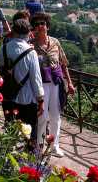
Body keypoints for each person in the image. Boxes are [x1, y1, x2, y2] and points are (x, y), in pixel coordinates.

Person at [30, 12, 75, 156]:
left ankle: (54, 145)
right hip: (40, 83)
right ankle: (39, 145)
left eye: (42, 23)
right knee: (42, 116)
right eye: (36, 24)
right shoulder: (31, 45)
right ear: (33, 28)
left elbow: (64, 64)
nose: (40, 26)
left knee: (55, 115)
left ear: (47, 26)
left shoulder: (55, 42)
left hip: (56, 82)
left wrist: (70, 83)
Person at [0, 19, 44, 145]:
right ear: (28, 33)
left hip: (7, 96)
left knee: (10, 130)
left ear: (13, 32)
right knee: (28, 134)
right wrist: (40, 100)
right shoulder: (31, 52)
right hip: (26, 99)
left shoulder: (3, 48)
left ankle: (7, 156)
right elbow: (36, 79)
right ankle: (27, 160)